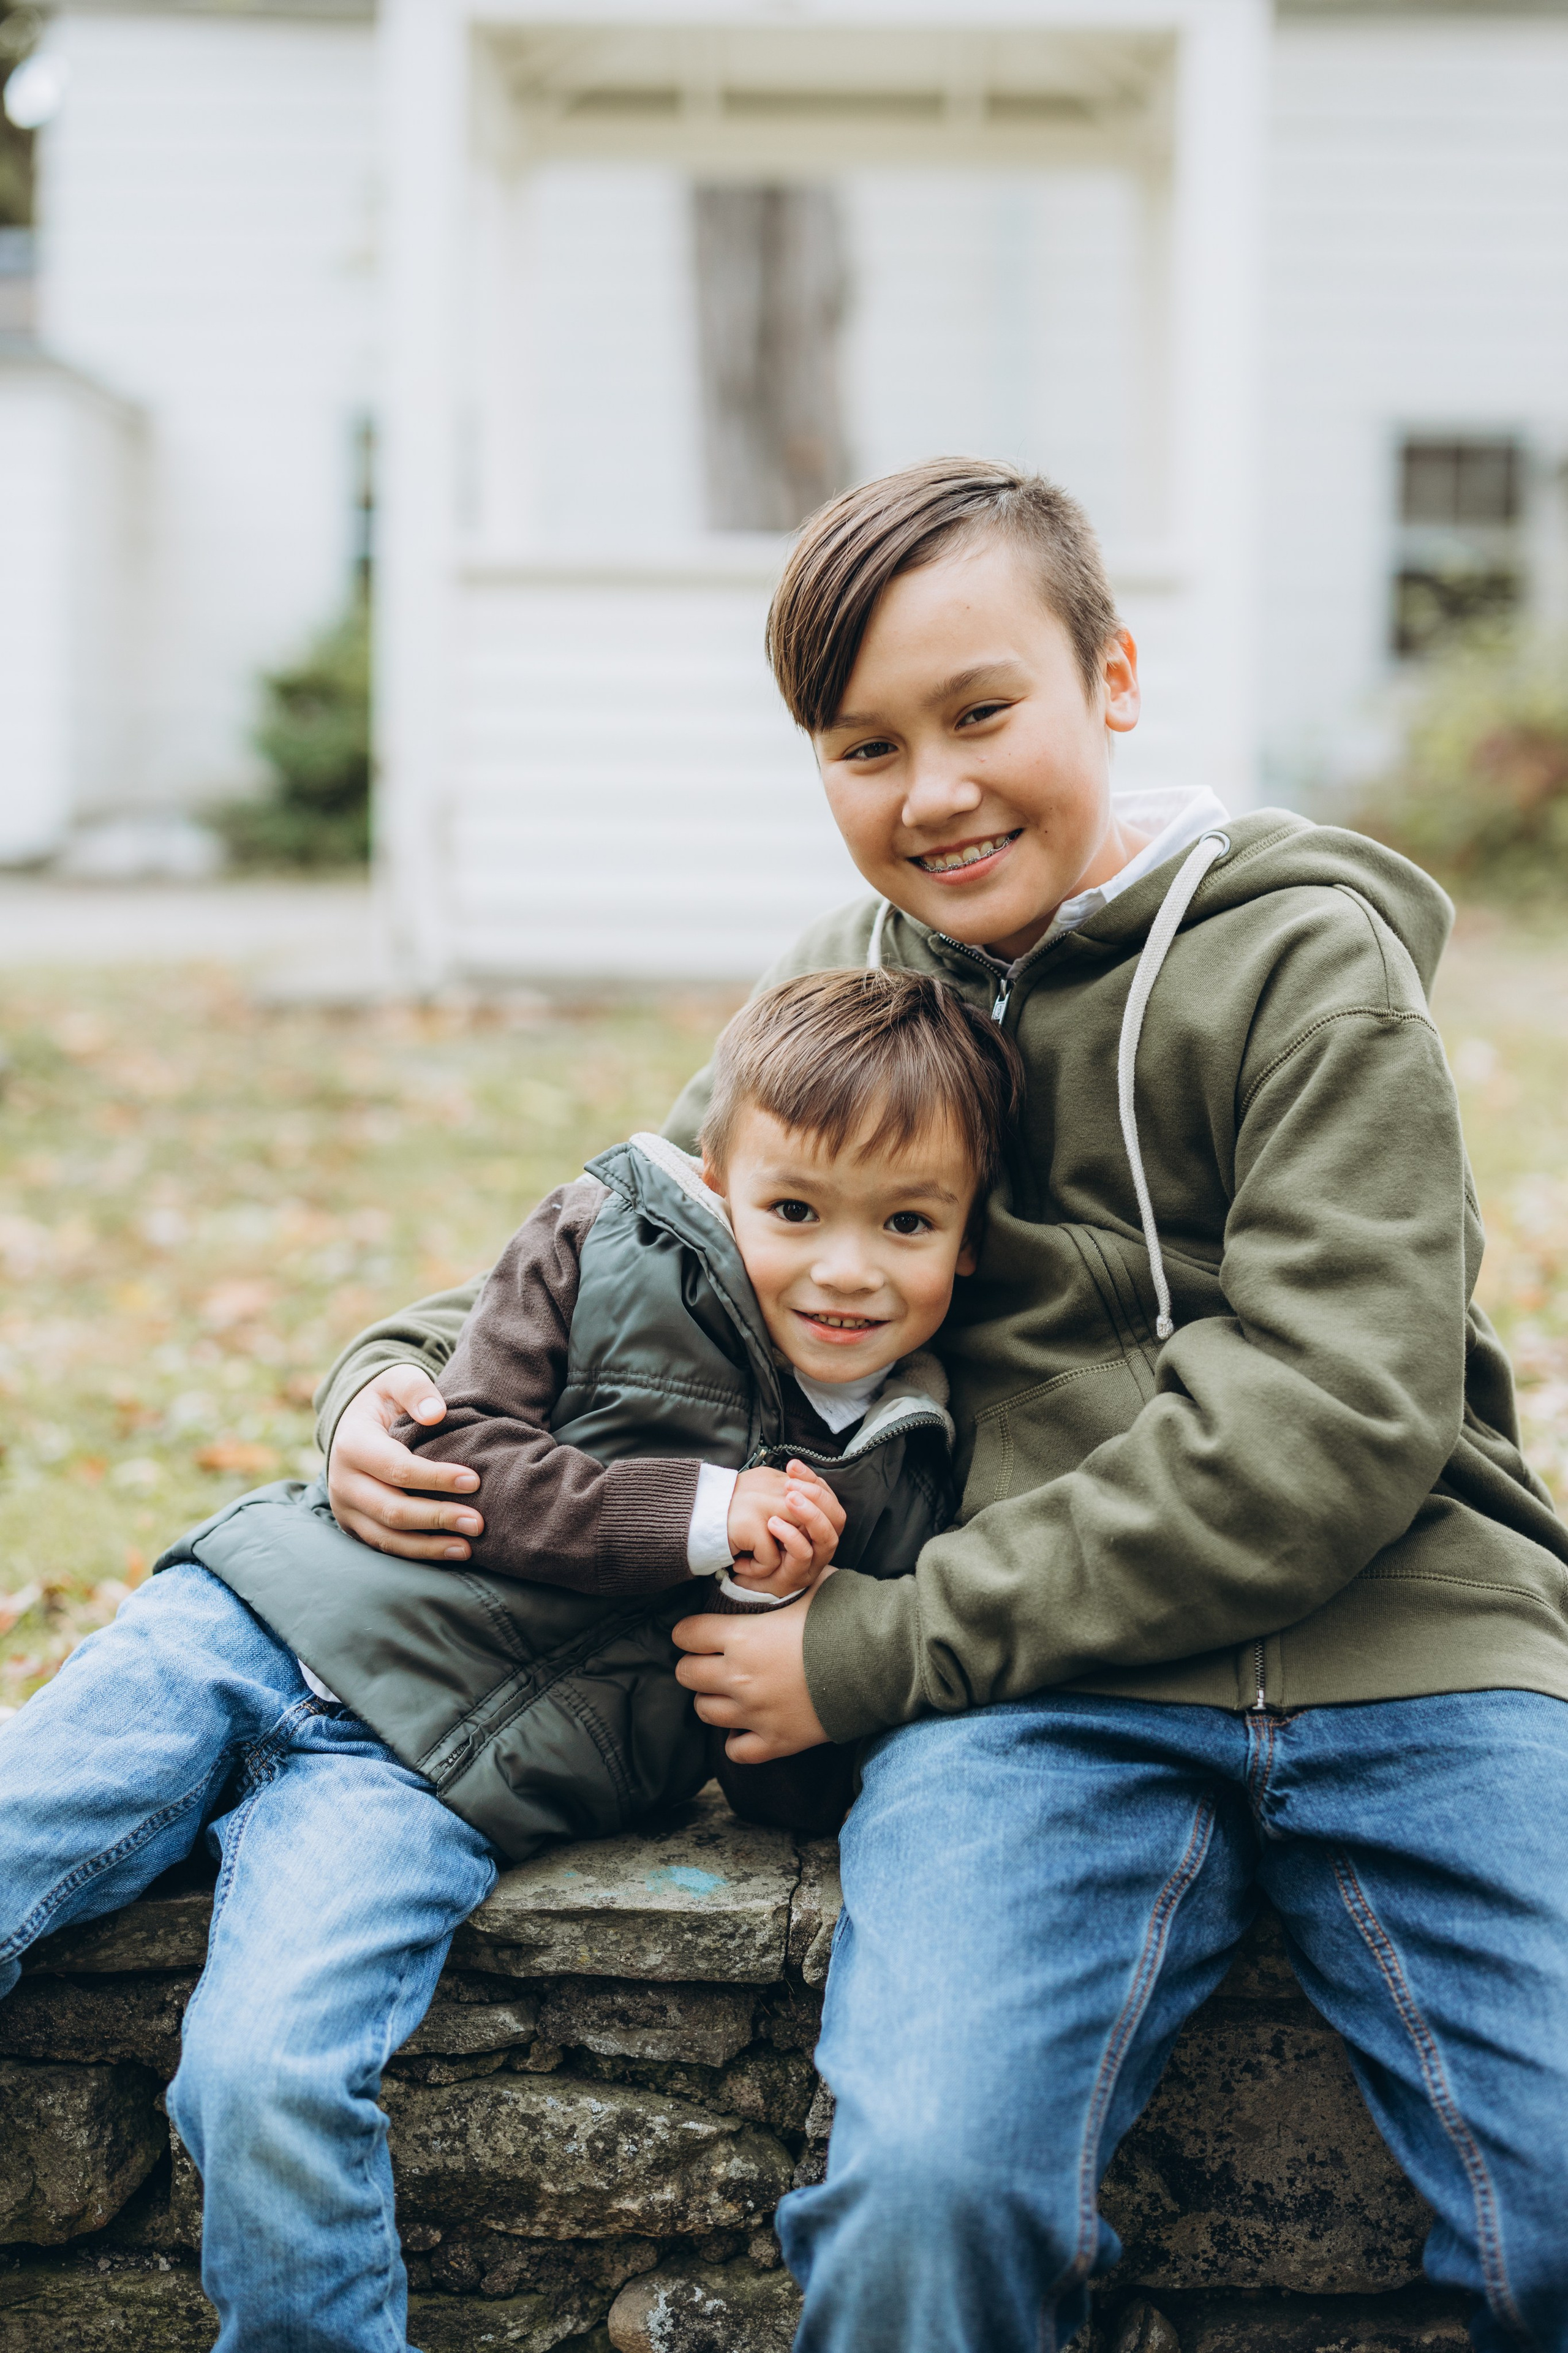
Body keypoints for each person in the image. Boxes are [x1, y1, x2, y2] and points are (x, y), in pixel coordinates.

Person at [333, 459, 1568, 2352]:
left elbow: (1330, 1420)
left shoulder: (1304, 965)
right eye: (864, 747)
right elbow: (645, 1243)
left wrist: (878, 1644)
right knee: (926, 2198)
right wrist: (391, 1378)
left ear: (1114, 678)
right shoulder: (841, 988)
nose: (933, 792)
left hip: (1409, 1654)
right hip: (1035, 1710)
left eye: (982, 713)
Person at [0, 964, 1019, 2353]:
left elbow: (784, 1781)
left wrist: (790, 1613)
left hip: (421, 1788)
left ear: (969, 1240)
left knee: (267, 2076)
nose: (847, 1268)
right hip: (253, 1626)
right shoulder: (608, 1232)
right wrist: (705, 1516)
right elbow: (464, 1452)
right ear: (721, 1180)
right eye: (795, 1211)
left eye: (906, 1222)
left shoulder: (906, 1474)